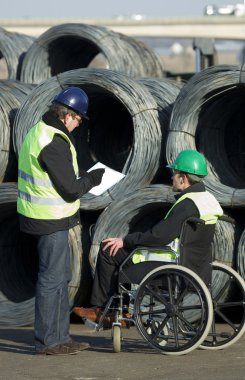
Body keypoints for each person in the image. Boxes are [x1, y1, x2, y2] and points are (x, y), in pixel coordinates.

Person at [73, 149, 223, 323]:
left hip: (169, 262)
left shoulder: (187, 205)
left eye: (174, 173)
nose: (171, 177)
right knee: (119, 253)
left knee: (109, 251)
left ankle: (104, 310)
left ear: (183, 178)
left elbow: (159, 236)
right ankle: (120, 311)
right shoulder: (207, 200)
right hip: (195, 264)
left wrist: (125, 240)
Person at [17, 87, 105, 355]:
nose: (79, 124)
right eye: (79, 119)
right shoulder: (53, 141)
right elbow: (70, 188)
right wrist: (94, 178)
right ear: (68, 115)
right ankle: (48, 342)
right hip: (49, 220)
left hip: (50, 217)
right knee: (51, 279)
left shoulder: (41, 130)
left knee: (61, 276)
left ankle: (61, 337)